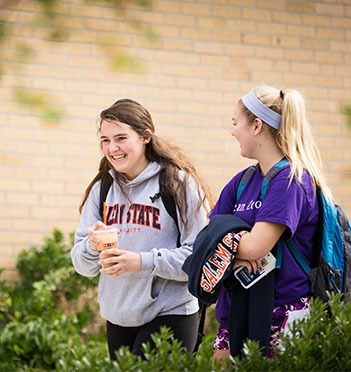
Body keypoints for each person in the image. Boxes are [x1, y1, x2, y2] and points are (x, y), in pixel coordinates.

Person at [70, 98, 212, 360]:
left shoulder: (178, 184)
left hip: (171, 313)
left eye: (121, 138)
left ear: (145, 136)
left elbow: (199, 258)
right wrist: (92, 245)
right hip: (118, 316)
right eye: (105, 140)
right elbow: (82, 265)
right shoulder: (102, 189)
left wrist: (141, 262)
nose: (112, 148)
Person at [210, 84, 333, 359]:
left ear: (256, 125)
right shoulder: (241, 182)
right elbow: (205, 238)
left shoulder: (291, 181)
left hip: (281, 314)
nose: (232, 131)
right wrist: (237, 251)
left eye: (235, 123)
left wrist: (229, 246)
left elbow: (255, 248)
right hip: (235, 310)